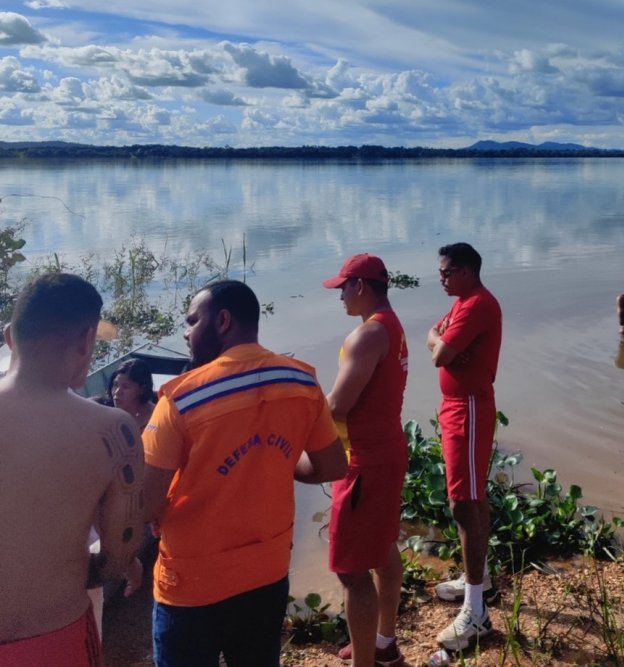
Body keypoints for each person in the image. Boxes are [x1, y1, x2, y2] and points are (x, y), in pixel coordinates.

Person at [142, 279, 347, 667]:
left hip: (192, 582)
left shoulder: (181, 398)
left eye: (191, 321)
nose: (185, 333)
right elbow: (333, 465)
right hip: (266, 572)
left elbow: (148, 504)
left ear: (222, 320)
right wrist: (274, 463)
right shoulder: (301, 381)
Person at [0, 273, 144, 666]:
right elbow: (116, 558)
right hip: (54, 641)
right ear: (86, 340)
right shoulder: (114, 431)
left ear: (10, 336)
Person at [322, 254, 409, 667]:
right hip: (388, 450)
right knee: (384, 546)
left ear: (360, 286)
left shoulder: (368, 335)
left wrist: (292, 413)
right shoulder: (393, 326)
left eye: (343, 287)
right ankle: (383, 642)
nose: (339, 295)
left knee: (353, 573)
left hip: (364, 463)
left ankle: (365, 662)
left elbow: (337, 405)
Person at [426, 243, 502, 651]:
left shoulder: (475, 305)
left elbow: (439, 353)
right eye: (440, 272)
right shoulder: (463, 303)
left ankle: (477, 612)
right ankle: (481, 579)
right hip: (458, 407)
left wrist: (441, 344)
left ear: (467, 272)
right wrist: (440, 342)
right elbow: (433, 338)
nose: (441, 277)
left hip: (469, 408)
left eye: (446, 272)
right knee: (469, 497)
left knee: (464, 502)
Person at [111, 358, 156, 430]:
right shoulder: (110, 417)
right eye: (115, 385)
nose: (117, 392)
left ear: (142, 389)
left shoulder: (155, 418)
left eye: (125, 387)